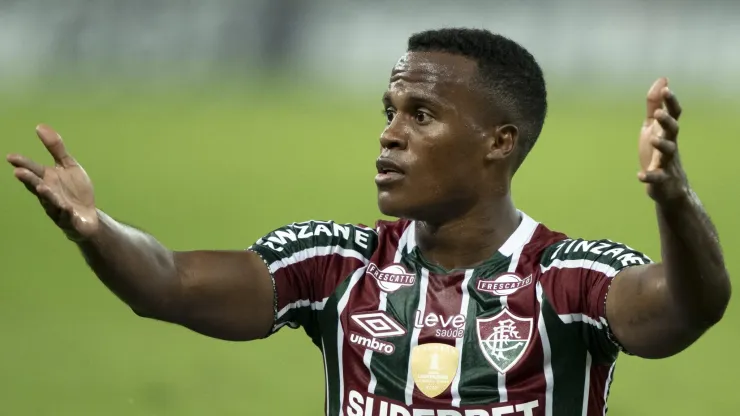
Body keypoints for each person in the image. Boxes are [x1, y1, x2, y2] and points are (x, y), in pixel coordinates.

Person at [6, 28, 730, 416]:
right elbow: (169, 283)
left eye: (421, 115)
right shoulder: (335, 266)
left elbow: (689, 308)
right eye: (389, 112)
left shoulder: (569, 280)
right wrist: (97, 230)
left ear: (499, 142)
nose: (390, 135)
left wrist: (675, 199)